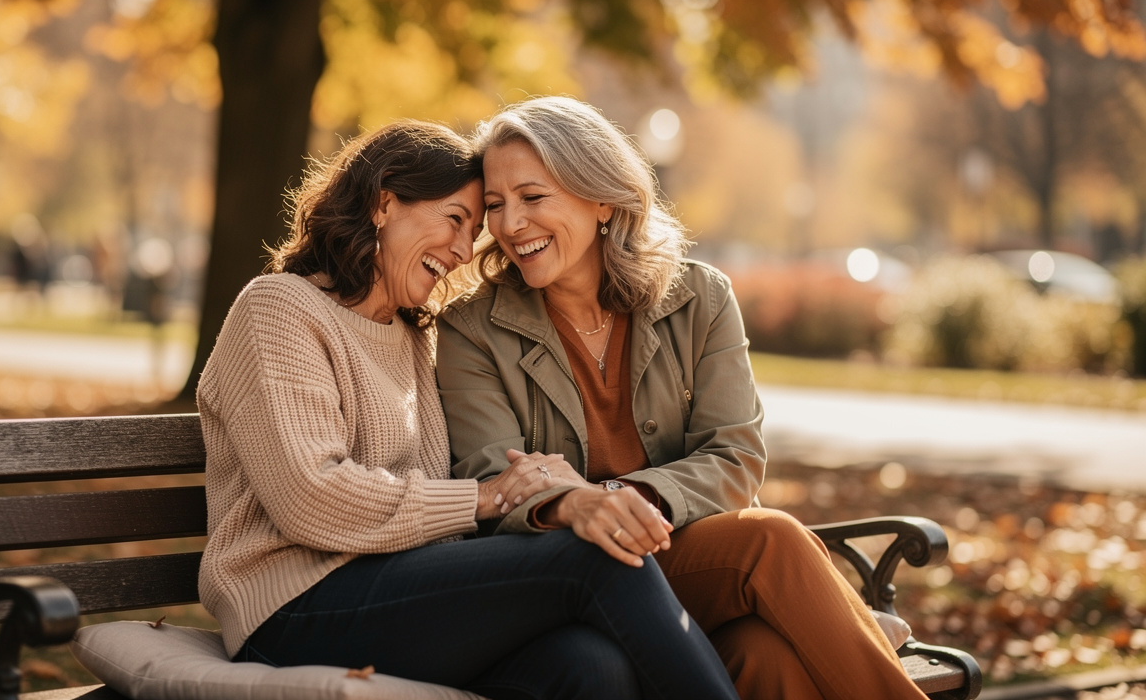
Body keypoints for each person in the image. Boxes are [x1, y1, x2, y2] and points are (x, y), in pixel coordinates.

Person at [196, 120, 739, 700]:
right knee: (593, 560)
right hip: (291, 610)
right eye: (455, 220)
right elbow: (311, 497)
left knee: (590, 665)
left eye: (472, 233)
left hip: (399, 600)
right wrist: (484, 497)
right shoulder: (280, 308)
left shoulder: (412, 337)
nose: (462, 253)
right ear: (384, 204)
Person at [436, 97, 928, 700]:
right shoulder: (470, 328)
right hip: (558, 570)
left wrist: (622, 499)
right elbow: (495, 474)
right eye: (495, 205)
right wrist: (581, 510)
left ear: (603, 199)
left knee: (763, 655)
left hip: (675, 555)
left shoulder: (700, 299)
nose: (511, 225)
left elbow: (735, 457)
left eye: (534, 198)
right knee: (770, 540)